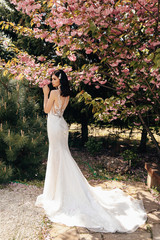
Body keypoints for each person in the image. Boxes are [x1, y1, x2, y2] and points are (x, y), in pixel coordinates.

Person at [35, 69, 147, 233]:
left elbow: (46, 110)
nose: (52, 81)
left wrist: (45, 93)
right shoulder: (67, 94)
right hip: (61, 124)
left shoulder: (52, 92)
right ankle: (57, 190)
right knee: (61, 155)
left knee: (58, 155)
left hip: (54, 125)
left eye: (54, 79)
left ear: (60, 81)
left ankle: (57, 193)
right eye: (51, 79)